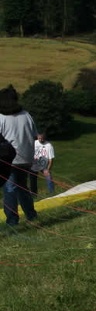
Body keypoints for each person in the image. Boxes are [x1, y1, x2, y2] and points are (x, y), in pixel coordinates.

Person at [0, 85, 38, 226]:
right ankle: (31, 215)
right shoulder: (27, 115)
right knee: (22, 187)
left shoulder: (1, 118)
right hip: (26, 158)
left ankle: (12, 221)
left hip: (9, 159)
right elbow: (34, 136)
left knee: (10, 189)